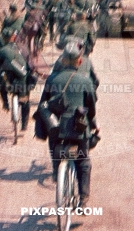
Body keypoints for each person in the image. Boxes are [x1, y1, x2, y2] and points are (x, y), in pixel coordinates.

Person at [38, 42, 99, 208]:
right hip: (79, 129)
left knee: (55, 148)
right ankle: (83, 199)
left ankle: (57, 171)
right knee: (83, 161)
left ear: (63, 60)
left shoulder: (52, 79)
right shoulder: (85, 81)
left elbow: (42, 104)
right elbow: (91, 108)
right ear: (79, 61)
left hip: (56, 128)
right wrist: (93, 124)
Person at [0, 27, 31, 130]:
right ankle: (24, 125)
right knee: (25, 100)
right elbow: (30, 65)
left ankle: (5, 103)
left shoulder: (2, 51)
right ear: (14, 37)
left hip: (8, 81)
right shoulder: (24, 48)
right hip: (22, 81)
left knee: (1, 84)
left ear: (4, 38)